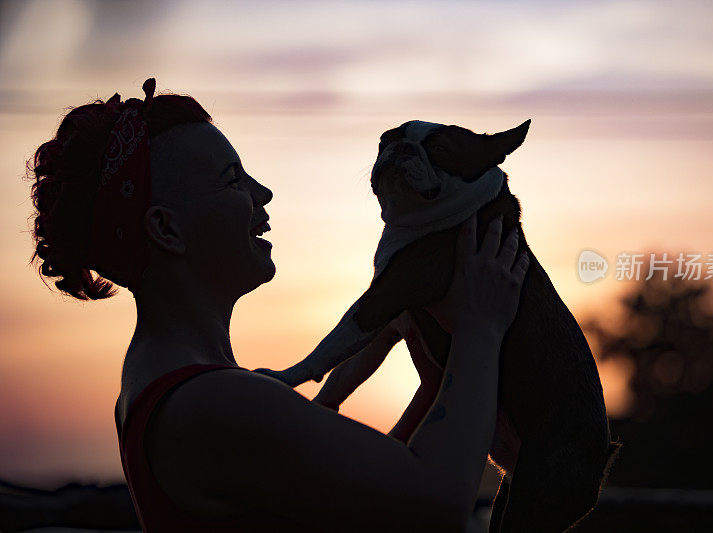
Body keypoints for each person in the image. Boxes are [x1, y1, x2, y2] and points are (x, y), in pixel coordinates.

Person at [26, 78, 530, 532]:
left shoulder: (169, 385)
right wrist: (479, 332)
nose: (263, 193)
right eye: (232, 180)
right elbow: (435, 505)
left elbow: (384, 487)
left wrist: (440, 369)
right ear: (166, 229)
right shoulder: (217, 404)